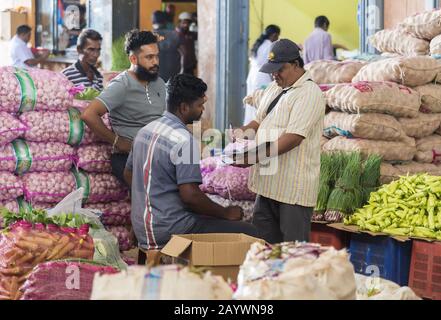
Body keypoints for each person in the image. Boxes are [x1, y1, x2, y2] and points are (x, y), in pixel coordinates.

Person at [124, 74, 258, 250]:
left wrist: (149, 205)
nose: (202, 110)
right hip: (171, 230)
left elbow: (128, 174)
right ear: (184, 107)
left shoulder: (145, 131)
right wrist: (225, 212)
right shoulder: (184, 140)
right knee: (252, 234)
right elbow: (191, 196)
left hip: (143, 226)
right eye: (199, 105)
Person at [232, 39, 325, 244]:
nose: (275, 75)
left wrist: (252, 157)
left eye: (280, 69)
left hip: (292, 190)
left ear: (295, 64)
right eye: (272, 70)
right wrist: (242, 131)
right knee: (264, 248)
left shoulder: (309, 94)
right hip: (267, 185)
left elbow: (293, 138)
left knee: (293, 252)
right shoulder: (275, 88)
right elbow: (259, 120)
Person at [81, 30, 166, 184]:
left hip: (158, 155)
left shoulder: (158, 83)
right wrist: (118, 142)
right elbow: (89, 115)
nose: (155, 62)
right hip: (129, 159)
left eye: (157, 56)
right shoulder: (121, 85)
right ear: (133, 59)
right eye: (149, 57)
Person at [245, 25, 281, 125]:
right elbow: (270, 63)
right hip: (261, 76)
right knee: (262, 102)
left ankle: (250, 127)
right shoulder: (270, 45)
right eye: (277, 36)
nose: (277, 39)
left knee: (252, 102)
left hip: (252, 75)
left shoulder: (259, 44)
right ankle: (259, 127)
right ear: (274, 35)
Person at [152, 10, 181, 82]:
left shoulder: (149, 36)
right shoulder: (175, 35)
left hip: (156, 75)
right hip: (174, 73)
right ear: (165, 21)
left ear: (152, 21)